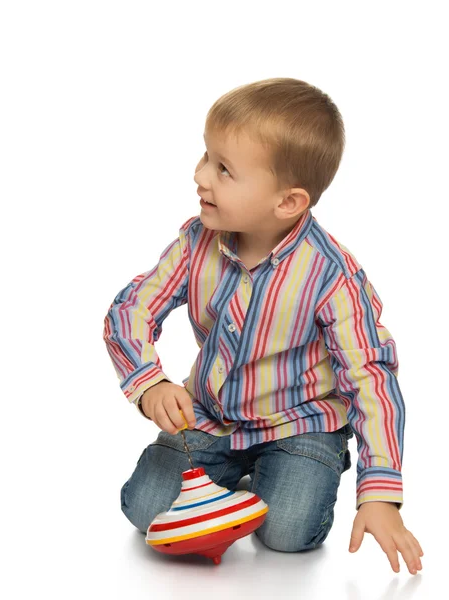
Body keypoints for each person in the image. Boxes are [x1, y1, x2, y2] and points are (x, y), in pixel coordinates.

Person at [103, 77, 423, 575]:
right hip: (211, 418)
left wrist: (380, 491)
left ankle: (278, 479)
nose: (199, 175)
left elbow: (372, 377)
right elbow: (130, 310)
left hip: (302, 424)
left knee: (288, 532)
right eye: (205, 156)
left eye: (223, 169)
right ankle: (235, 483)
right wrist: (150, 383)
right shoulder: (195, 243)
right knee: (146, 509)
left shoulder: (331, 274)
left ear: (288, 202)